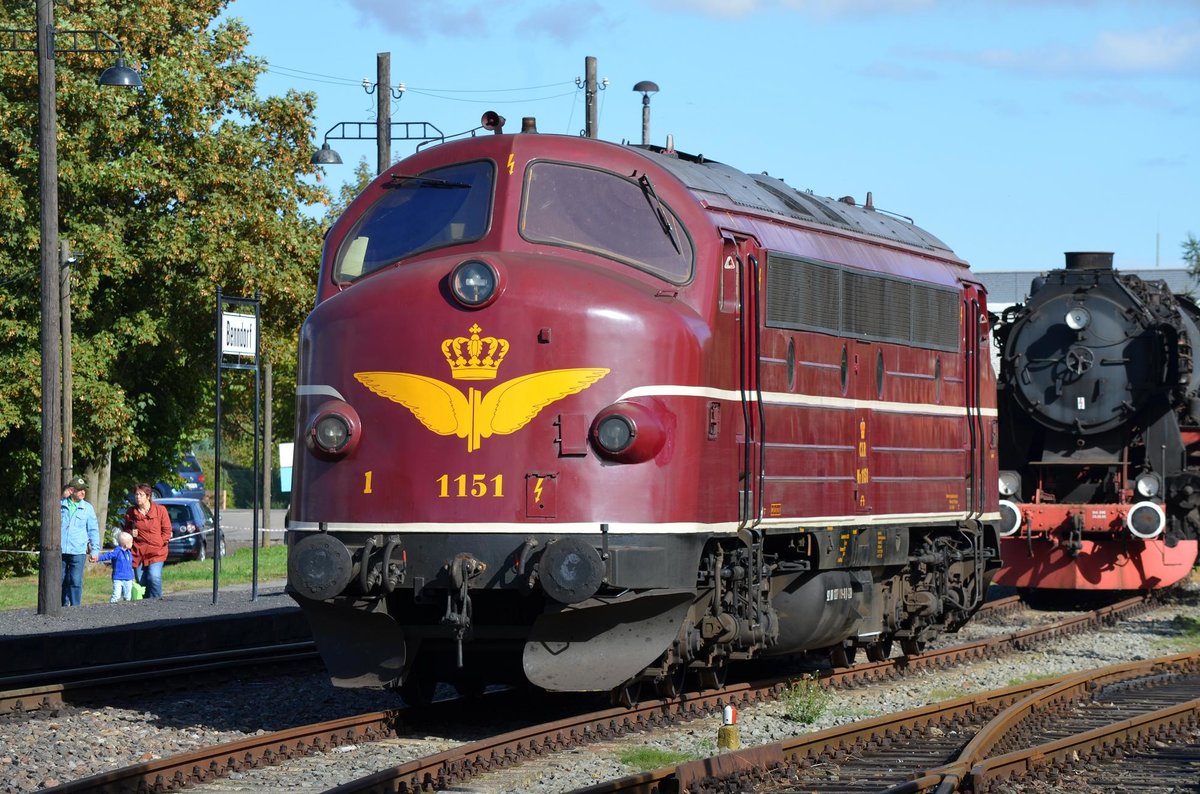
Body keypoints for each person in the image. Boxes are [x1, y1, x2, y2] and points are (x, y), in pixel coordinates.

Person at [123, 483, 172, 599]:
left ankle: (156, 602)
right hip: (138, 552)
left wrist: (160, 542)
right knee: (141, 582)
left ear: (148, 496)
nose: (137, 497)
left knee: (154, 577)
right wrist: (130, 533)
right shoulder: (131, 512)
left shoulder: (160, 510)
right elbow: (126, 530)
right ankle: (145, 606)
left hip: (157, 552)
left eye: (141, 494)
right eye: (136, 494)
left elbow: (167, 529)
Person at [60, 476, 100, 606]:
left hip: (78, 551)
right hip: (60, 550)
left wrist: (95, 550)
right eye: (79, 490)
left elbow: (93, 530)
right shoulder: (60, 505)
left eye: (84, 490)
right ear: (71, 491)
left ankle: (76, 607)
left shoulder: (88, 508)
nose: (83, 492)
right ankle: (61, 606)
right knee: (61, 580)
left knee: (76, 581)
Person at [97, 530, 135, 602]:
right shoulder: (117, 551)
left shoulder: (129, 553)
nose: (132, 543)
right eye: (131, 542)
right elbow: (108, 556)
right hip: (118, 578)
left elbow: (130, 565)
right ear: (126, 545)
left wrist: (132, 576)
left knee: (128, 596)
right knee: (116, 595)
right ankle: (112, 607)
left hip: (128, 578)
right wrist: (98, 558)